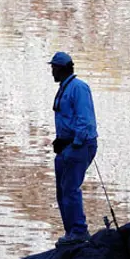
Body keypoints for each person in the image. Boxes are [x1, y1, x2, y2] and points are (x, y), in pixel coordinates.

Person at [49, 51, 99, 247]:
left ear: (62, 69)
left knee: (70, 189)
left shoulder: (78, 88)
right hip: (66, 146)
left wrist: (75, 144)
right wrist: (60, 141)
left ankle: (78, 231)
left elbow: (85, 120)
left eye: (54, 67)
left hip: (78, 146)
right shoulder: (65, 87)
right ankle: (71, 232)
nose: (52, 71)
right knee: (62, 191)